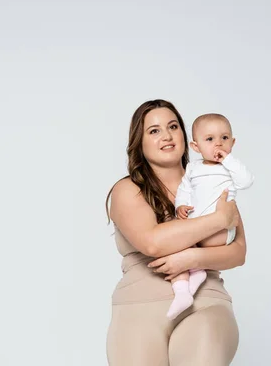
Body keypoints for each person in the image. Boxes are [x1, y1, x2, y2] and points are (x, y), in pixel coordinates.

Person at [105, 99, 246, 366]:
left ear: (186, 136)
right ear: (140, 142)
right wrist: (218, 219)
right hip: (139, 307)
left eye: (173, 126)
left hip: (205, 301)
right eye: (154, 130)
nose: (167, 136)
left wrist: (192, 260)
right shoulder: (127, 189)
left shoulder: (216, 180)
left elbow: (238, 252)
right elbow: (153, 243)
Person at [166, 113, 254, 319]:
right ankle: (182, 291)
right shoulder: (193, 168)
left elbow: (246, 181)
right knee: (175, 246)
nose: (218, 145)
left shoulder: (230, 167)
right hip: (198, 226)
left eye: (224, 138)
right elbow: (184, 190)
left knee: (187, 245)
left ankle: (195, 273)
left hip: (221, 231)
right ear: (196, 147)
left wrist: (229, 160)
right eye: (210, 139)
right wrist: (180, 206)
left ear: (232, 142)